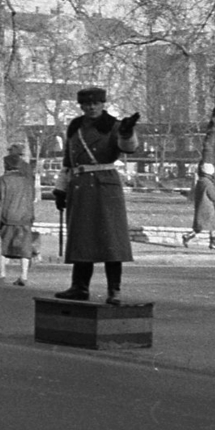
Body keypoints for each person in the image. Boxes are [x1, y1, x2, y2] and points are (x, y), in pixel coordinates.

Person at [53, 87, 140, 304]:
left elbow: (127, 148)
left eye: (96, 103)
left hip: (105, 186)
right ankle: (79, 287)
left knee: (111, 239)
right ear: (81, 106)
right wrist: (61, 188)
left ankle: (114, 291)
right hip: (80, 186)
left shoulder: (114, 126)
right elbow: (67, 161)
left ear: (103, 104)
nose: (92, 107)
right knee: (82, 239)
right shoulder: (75, 126)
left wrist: (128, 132)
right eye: (87, 104)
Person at [0, 146, 36, 285]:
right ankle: (24, 276)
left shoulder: (4, 180)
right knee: (25, 248)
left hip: (8, 217)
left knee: (4, 246)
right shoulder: (28, 180)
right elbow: (31, 197)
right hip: (25, 217)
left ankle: (2, 274)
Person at [182, 161, 215, 249]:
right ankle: (213, 243)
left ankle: (188, 236)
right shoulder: (208, 183)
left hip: (201, 206)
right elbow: (213, 196)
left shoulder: (200, 181)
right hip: (208, 206)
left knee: (200, 226)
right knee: (212, 224)